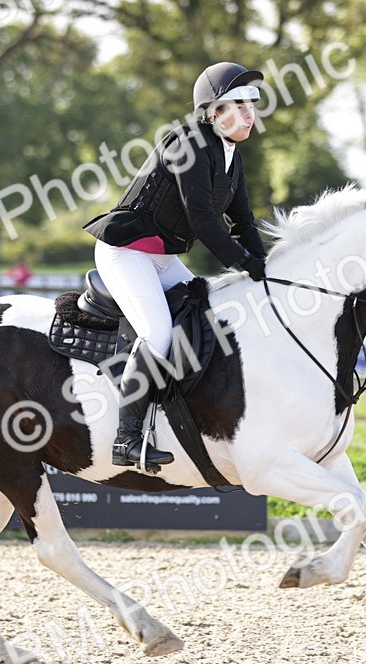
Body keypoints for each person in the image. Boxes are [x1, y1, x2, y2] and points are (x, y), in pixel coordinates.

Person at [83, 62, 269, 468]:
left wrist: (266, 266)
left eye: (252, 104)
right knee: (157, 332)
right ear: (213, 111)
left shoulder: (230, 156)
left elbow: (243, 222)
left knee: (205, 313)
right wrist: (243, 263)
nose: (249, 113)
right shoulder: (186, 144)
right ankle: (126, 439)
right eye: (239, 104)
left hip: (161, 258)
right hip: (125, 251)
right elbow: (203, 220)